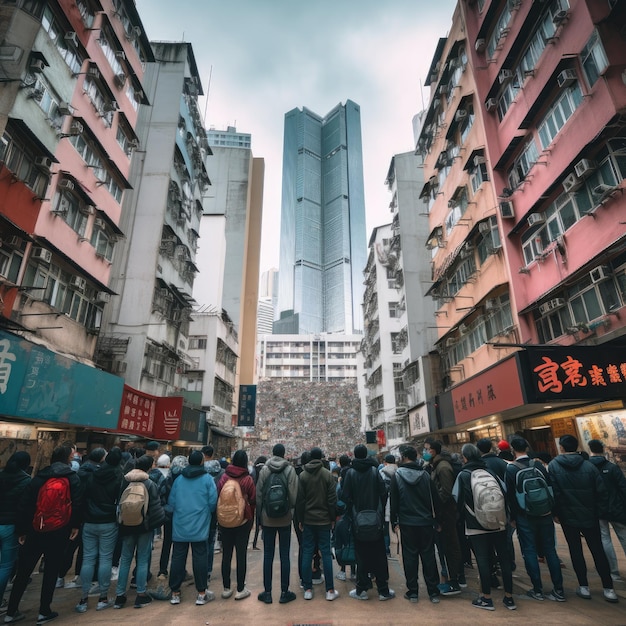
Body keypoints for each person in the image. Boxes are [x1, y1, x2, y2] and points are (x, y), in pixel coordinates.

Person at [6, 445, 82, 625]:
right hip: (59, 531)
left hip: (35, 529)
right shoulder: (72, 478)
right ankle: (44, 611)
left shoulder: (39, 478)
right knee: (51, 571)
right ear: (68, 457)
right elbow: (77, 504)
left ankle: (10, 611)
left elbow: (25, 505)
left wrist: (22, 530)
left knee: (24, 571)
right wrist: (75, 526)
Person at [548, 435, 617, 602]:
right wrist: (599, 512)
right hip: (590, 514)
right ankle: (609, 588)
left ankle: (584, 587)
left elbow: (554, 493)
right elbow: (601, 491)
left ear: (562, 448)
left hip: (567, 516)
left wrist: (556, 513)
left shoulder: (554, 466)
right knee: (597, 549)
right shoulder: (589, 466)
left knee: (575, 550)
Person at [453, 443, 515, 611]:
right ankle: (509, 598)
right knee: (504, 559)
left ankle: (486, 598)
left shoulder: (463, 475)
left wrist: (459, 519)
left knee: (483, 560)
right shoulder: (490, 472)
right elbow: (505, 492)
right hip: (498, 522)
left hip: (475, 524)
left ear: (464, 457)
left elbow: (456, 501)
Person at [505, 436, 564, 602]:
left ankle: (537, 590)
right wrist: (553, 511)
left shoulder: (511, 469)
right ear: (527, 447)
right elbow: (550, 487)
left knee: (529, 550)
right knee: (550, 550)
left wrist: (513, 517)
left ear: (512, 449)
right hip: (545, 513)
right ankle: (558, 590)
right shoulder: (538, 464)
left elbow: (510, 496)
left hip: (525, 516)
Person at [341, 444, 394, 601]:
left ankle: (361, 590)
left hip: (358, 522)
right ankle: (383, 590)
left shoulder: (350, 473)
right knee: (379, 554)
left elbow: (345, 496)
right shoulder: (373, 471)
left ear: (355, 456)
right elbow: (383, 492)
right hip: (375, 520)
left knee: (361, 555)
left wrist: (352, 511)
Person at [75, 447, 124, 613]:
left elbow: (83, 497)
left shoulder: (92, 475)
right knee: (105, 558)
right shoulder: (119, 477)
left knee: (88, 558)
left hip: (89, 521)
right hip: (109, 522)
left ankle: (83, 598)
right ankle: (103, 597)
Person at [390, 446, 441, 604]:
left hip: (407, 523)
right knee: (429, 556)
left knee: (410, 557)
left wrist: (394, 522)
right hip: (425, 522)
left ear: (404, 457)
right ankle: (433, 592)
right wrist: (437, 521)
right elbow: (435, 500)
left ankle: (413, 592)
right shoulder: (425, 475)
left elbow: (394, 502)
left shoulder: (397, 476)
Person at [114, 454, 165, 610]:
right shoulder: (150, 483)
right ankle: (141, 595)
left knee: (125, 559)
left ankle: (120, 596)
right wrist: (156, 526)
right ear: (149, 466)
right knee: (142, 559)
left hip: (126, 525)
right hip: (144, 526)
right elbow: (155, 508)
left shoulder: (125, 481)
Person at [168, 450, 217, 606]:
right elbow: (213, 503)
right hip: (200, 525)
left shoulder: (179, 480)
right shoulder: (208, 479)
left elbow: (172, 502)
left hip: (180, 525)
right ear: (202, 462)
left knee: (177, 557)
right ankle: (201, 593)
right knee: (200, 557)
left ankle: (175, 593)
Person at [256, 443, 298, 604]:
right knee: (284, 555)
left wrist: (260, 517)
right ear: (284, 453)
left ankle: (267, 593)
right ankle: (284, 592)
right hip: (285, 518)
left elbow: (259, 495)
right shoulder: (289, 470)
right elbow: (294, 495)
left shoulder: (265, 470)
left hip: (267, 518)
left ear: (272, 454)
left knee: (268, 555)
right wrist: (291, 512)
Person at [296, 447, 339, 601]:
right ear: (321, 458)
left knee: (307, 552)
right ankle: (330, 590)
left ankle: (307, 588)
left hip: (308, 520)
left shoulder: (303, 476)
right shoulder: (327, 475)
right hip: (324, 520)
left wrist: (301, 519)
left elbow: (300, 500)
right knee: (326, 553)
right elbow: (332, 500)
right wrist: (332, 518)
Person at [424, 440, 463, 596]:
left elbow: (445, 492)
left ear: (433, 451)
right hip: (443, 514)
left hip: (446, 514)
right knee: (445, 546)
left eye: (426, 449)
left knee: (450, 546)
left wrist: (437, 510)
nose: (424, 452)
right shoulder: (437, 465)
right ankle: (451, 578)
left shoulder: (443, 467)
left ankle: (454, 581)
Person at [216, 450, 256, 601]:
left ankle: (226, 588)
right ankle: (240, 589)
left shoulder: (224, 477)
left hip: (225, 521)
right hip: (243, 521)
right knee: (241, 554)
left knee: (226, 554)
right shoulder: (247, 479)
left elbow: (219, 494)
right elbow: (253, 499)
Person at [588, 439, 626, 582]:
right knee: (624, 537)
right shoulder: (612, 467)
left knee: (605, 539)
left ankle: (613, 572)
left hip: (598, 510)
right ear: (603, 449)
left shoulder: (587, 468)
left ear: (590, 449)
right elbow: (623, 488)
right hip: (617, 508)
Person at [0, 452, 31, 607]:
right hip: (11, 526)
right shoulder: (26, 481)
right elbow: (24, 508)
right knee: (6, 565)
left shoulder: (1, 475)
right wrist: (23, 530)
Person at [158, 455, 188, 579]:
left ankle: (162, 570)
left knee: (167, 542)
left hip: (168, 515)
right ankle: (180, 570)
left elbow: (161, 497)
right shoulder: (185, 480)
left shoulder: (167, 478)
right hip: (181, 516)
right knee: (180, 545)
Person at [379, 454, 397, 559]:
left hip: (385, 503)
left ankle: (386, 549)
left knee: (385, 527)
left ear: (385, 462)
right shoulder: (400, 472)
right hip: (397, 503)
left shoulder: (381, 472)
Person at [251, 455, 268, 551]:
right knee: (264, 521)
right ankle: (264, 538)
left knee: (256, 522)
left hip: (254, 499)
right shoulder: (266, 470)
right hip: (263, 498)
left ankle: (254, 543)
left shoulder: (253, 471)